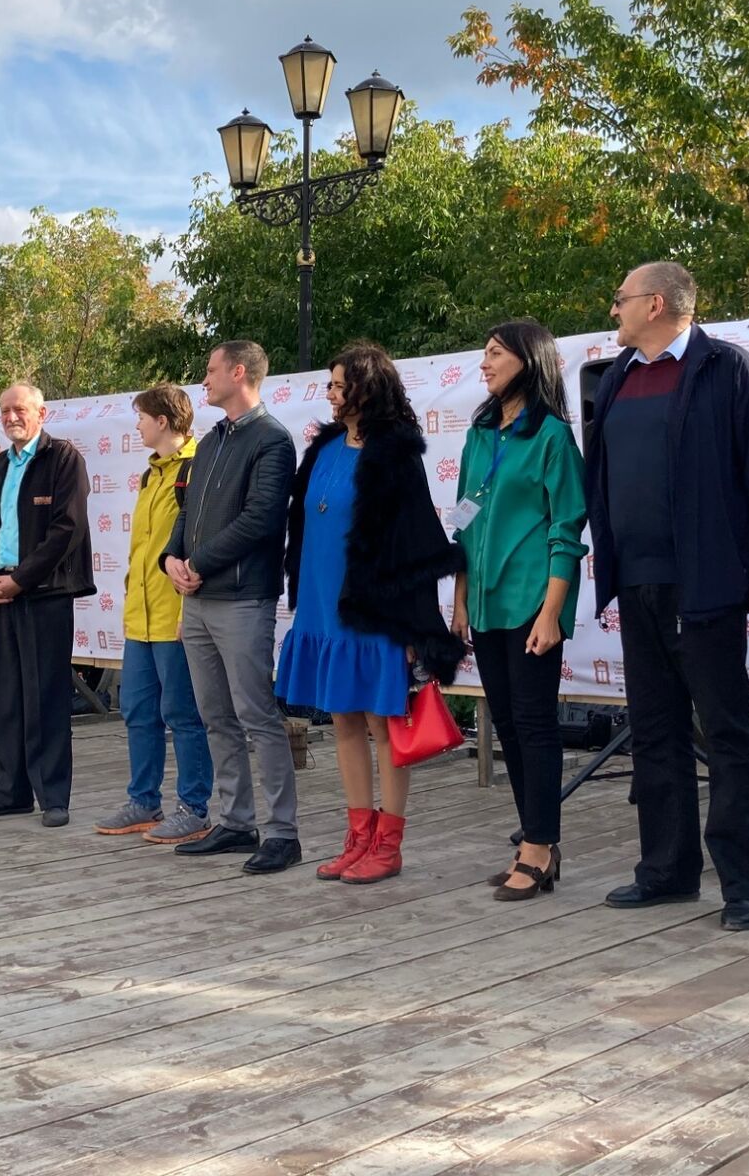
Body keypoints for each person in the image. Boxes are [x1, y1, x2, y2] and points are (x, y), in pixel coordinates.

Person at [585, 262, 749, 931]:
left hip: (704, 583)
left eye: (619, 299)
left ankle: (747, 885)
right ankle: (667, 872)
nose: (612, 309)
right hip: (637, 581)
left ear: (655, 303)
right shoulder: (616, 378)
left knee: (727, 733)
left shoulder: (726, 369)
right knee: (655, 733)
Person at [281, 344, 465, 884]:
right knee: (342, 721)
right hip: (322, 604)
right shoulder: (324, 446)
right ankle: (357, 838)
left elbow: (413, 546)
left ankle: (388, 843)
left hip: (375, 611)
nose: (333, 394)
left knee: (386, 726)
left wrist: (413, 625)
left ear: (368, 387)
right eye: (330, 385)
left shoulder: (395, 454)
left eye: (341, 385)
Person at [451, 321, 589, 901]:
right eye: (483, 355)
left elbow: (567, 530)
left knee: (534, 726)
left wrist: (551, 611)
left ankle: (539, 847)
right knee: (505, 723)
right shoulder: (480, 433)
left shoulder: (553, 437)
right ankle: (536, 843)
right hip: (483, 604)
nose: (484, 365)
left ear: (528, 362)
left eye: (495, 354)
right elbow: (462, 519)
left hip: (531, 602)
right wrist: (458, 600)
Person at [163, 340, 301, 874]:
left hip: (243, 598)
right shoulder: (211, 439)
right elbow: (187, 510)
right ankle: (237, 822)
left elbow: (263, 518)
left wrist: (198, 561)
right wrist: (171, 559)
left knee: (256, 716)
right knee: (214, 715)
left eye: (211, 370)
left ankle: (283, 833)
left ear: (238, 372)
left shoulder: (271, 439)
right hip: (197, 598)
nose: (205, 380)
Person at [0, 383, 94, 828]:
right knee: (7, 696)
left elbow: (67, 530)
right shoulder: (2, 463)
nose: (10, 417)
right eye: (4, 411)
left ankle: (53, 797)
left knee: (47, 698)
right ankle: (10, 793)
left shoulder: (63, 459)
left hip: (43, 595)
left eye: (19, 409)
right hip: (1, 593)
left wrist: (18, 582)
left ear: (41, 413)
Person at [94, 384, 214, 844]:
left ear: (163, 420)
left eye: (142, 417)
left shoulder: (197, 465)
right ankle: (144, 801)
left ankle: (194, 807)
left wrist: (189, 609)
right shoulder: (151, 474)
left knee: (182, 713)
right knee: (138, 711)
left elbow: (195, 543)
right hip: (140, 618)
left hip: (174, 615)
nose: (138, 425)